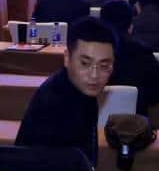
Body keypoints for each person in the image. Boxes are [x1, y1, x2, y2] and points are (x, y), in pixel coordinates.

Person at [15, 18, 117, 162]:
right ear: (67, 58)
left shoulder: (78, 88)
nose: (94, 75)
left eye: (104, 66)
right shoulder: (54, 106)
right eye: (85, 63)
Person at [97, 0, 159, 114]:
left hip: (88, 122)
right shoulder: (141, 51)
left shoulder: (88, 52)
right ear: (130, 26)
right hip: (133, 121)